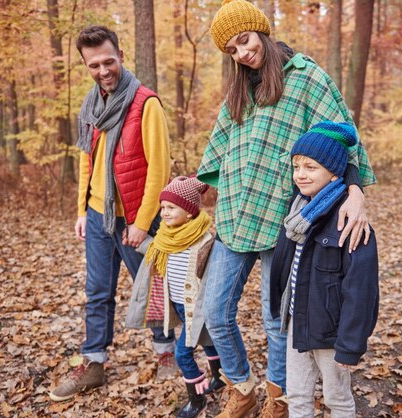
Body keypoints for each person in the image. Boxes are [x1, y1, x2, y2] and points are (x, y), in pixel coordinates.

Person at [197, 1, 376, 416]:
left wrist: (355, 191)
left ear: (261, 30)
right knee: (214, 311)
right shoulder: (239, 88)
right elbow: (219, 146)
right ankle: (241, 388)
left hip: (284, 219)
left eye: (244, 41)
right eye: (232, 50)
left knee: (277, 318)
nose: (242, 53)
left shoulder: (307, 77)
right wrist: (195, 187)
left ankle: (279, 399)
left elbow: (343, 136)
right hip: (235, 215)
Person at [50, 25, 176, 402]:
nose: (103, 70)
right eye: (94, 65)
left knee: (152, 287)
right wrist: (80, 211)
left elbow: (160, 167)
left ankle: (166, 352)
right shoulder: (90, 107)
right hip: (98, 215)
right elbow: (87, 162)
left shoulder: (145, 103)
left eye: (108, 61)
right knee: (97, 291)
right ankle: (93, 363)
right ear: (86, 66)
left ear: (120, 56)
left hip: (138, 215)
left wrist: (140, 222)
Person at [270, 121, 379, 418]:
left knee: (336, 397)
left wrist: (350, 344)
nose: (301, 174)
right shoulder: (298, 211)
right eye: (297, 166)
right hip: (298, 324)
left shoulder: (350, 221)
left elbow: (361, 289)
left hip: (330, 332)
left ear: (334, 172)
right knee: (297, 396)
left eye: (311, 167)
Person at [126, 176, 225, 418]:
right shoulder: (166, 236)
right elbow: (155, 248)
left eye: (171, 208)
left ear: (190, 212)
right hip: (179, 305)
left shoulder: (204, 241)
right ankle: (220, 379)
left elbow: (215, 275)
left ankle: (196, 398)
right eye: (163, 208)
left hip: (198, 309)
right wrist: (134, 241)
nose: (165, 213)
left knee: (182, 353)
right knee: (208, 341)